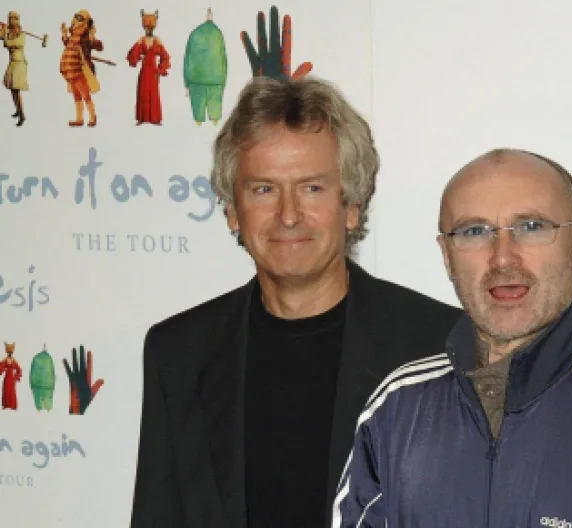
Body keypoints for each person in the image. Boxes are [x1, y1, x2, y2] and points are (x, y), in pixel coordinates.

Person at [129, 76, 462, 527]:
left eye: (312, 188)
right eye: (263, 189)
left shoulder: (439, 345)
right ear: (232, 211)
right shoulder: (179, 353)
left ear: (351, 206)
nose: (288, 216)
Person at [333, 149, 572, 527]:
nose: (503, 257)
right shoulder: (395, 409)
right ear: (447, 255)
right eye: (474, 231)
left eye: (531, 227)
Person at [3, 11, 28, 126]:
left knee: (16, 90)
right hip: (13, 63)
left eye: (14, 18)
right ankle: (18, 110)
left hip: (19, 64)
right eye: (10, 19)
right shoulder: (10, 33)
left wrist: (5, 32)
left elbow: (7, 43)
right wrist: (3, 29)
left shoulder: (22, 36)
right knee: (12, 90)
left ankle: (22, 115)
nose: (12, 20)